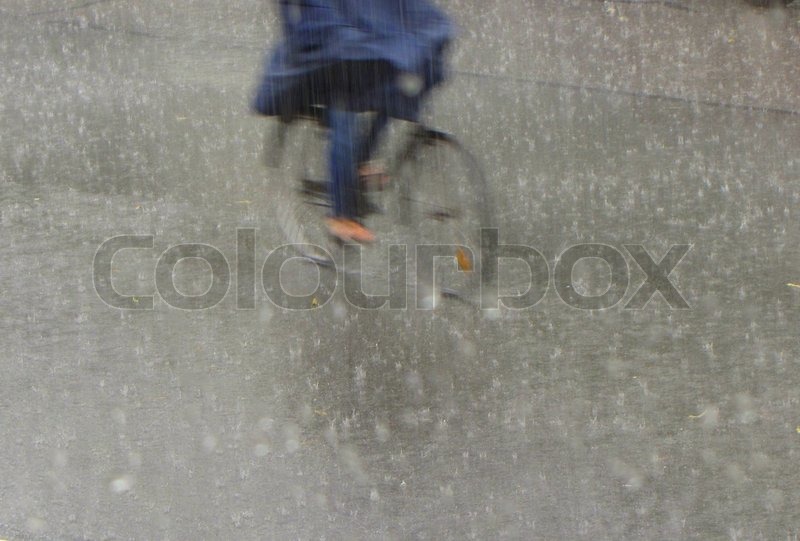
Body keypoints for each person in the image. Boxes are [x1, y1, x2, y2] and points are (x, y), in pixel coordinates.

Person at [253, 0, 453, 243]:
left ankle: (358, 162)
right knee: (345, 96)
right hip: (331, 31)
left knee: (412, 61)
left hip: (365, 20)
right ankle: (341, 215)